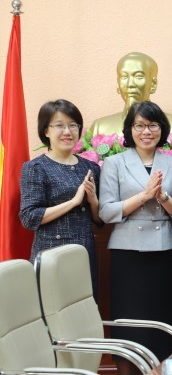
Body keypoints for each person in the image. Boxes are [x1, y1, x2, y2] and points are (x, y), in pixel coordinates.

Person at [98, 101, 172, 374]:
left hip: (163, 251)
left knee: (161, 320)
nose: (146, 131)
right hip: (127, 253)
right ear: (130, 129)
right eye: (139, 125)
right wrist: (143, 196)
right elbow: (106, 211)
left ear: (162, 129)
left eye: (152, 125)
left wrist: (163, 197)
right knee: (128, 321)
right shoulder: (114, 163)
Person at [19, 99, 101, 295]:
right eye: (59, 125)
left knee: (84, 308)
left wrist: (93, 201)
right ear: (46, 131)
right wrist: (73, 202)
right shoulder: (35, 168)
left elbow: (99, 221)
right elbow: (29, 217)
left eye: (73, 125)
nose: (67, 131)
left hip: (85, 252)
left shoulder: (91, 167)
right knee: (51, 309)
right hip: (51, 254)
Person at [88, 52, 172, 136]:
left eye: (138, 76)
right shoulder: (100, 128)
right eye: (124, 77)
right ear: (118, 83)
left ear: (153, 84)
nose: (130, 84)